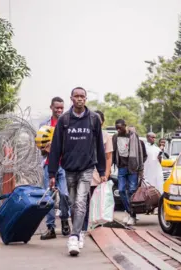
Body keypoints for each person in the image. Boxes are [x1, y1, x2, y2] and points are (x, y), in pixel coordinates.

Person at [48, 86, 107, 256]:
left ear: (86, 99)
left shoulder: (94, 119)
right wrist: (52, 173)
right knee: (74, 204)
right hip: (69, 169)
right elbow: (56, 148)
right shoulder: (64, 120)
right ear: (71, 98)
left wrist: (101, 170)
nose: (80, 99)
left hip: (87, 168)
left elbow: (99, 147)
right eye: (77, 96)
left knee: (81, 202)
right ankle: (80, 231)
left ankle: (74, 237)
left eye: (82, 96)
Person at [38, 97, 70, 240]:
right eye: (57, 108)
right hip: (48, 164)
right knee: (50, 198)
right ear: (51, 107)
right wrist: (47, 148)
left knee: (64, 194)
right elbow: (40, 148)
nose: (59, 110)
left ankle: (64, 220)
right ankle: (50, 228)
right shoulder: (44, 125)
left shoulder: (67, 123)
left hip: (64, 165)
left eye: (61, 108)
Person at [82, 110, 113, 247]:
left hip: (99, 173)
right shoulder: (85, 134)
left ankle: (96, 226)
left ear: (102, 122)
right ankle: (84, 227)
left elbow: (108, 157)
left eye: (98, 120)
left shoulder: (107, 136)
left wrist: (106, 173)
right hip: (85, 171)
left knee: (97, 200)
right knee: (84, 200)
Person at [112, 119, 146, 226]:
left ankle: (132, 215)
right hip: (121, 168)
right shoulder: (115, 137)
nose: (118, 129)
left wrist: (141, 169)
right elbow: (113, 152)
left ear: (125, 126)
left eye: (120, 127)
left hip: (133, 168)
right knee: (121, 190)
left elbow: (140, 153)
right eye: (116, 128)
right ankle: (129, 211)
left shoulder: (133, 136)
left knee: (132, 191)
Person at [144, 132, 165, 198]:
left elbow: (160, 161)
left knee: (158, 188)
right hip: (147, 172)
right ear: (147, 137)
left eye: (155, 138)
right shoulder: (144, 148)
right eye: (152, 137)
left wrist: (160, 154)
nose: (154, 139)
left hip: (156, 173)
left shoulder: (157, 149)